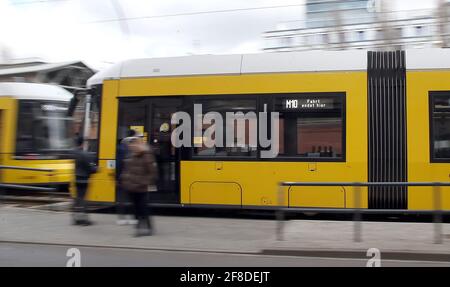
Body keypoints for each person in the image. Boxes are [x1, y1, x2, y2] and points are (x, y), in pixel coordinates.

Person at [120, 136, 158, 236]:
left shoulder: (147, 155)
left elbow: (153, 172)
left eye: (134, 145)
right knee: (136, 210)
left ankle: (146, 228)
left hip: (141, 188)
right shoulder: (131, 155)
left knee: (143, 209)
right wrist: (125, 179)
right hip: (132, 188)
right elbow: (127, 170)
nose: (132, 147)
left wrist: (145, 182)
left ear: (139, 145)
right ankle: (141, 228)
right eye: (131, 145)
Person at [72, 136, 97, 226]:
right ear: (83, 143)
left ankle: (76, 219)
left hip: (76, 178)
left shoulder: (74, 152)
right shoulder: (85, 154)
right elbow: (91, 168)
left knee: (78, 199)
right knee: (83, 200)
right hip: (84, 180)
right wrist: (97, 168)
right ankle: (84, 220)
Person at [116, 129, 137, 225]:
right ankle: (132, 218)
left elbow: (118, 164)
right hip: (132, 177)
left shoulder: (121, 147)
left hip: (123, 176)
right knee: (133, 197)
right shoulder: (134, 146)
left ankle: (122, 218)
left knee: (122, 198)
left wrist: (117, 177)